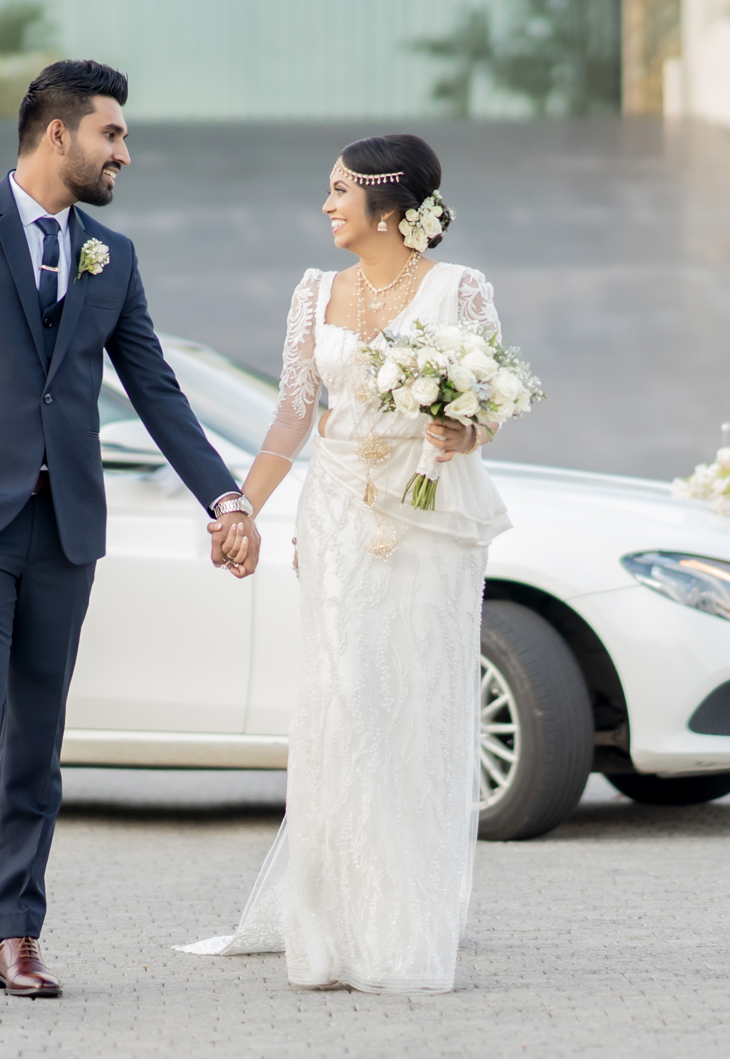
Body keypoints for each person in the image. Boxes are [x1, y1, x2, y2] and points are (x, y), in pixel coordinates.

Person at [0, 60, 261, 999]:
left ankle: (18, 936)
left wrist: (225, 499)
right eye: (111, 134)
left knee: (37, 738)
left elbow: (157, 389)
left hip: (65, 530)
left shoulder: (110, 257)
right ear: (59, 134)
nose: (124, 152)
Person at [180, 134, 512, 994]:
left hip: (425, 512)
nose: (327, 206)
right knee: (343, 696)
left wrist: (463, 430)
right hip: (334, 507)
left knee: (415, 697)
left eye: (339, 191)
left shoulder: (459, 291)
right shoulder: (314, 293)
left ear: (388, 207)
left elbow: (490, 407)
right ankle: (330, 925)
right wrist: (240, 507)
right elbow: (293, 416)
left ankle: (403, 917)